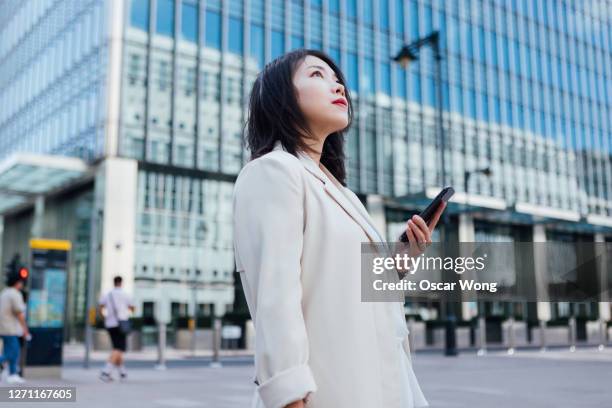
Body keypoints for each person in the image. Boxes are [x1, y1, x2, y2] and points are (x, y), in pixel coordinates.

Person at [233, 49, 447, 408]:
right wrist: (290, 396)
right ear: (281, 97)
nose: (338, 86)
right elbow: (276, 299)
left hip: (384, 387)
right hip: (327, 393)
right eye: (317, 75)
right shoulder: (273, 171)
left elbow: (343, 290)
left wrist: (398, 262)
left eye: (338, 80)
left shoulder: (343, 193)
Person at [97, 276, 135, 382]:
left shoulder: (107, 294)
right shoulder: (125, 294)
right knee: (118, 349)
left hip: (110, 324)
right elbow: (132, 308)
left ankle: (123, 373)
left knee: (117, 348)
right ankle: (105, 372)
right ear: (121, 283)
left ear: (113, 282)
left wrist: (105, 317)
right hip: (121, 324)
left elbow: (100, 307)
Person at [0, 270, 30, 383]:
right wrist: (25, 329)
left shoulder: (4, 292)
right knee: (13, 352)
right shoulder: (15, 294)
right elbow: (19, 313)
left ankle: (12, 374)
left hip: (2, 327)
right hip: (9, 328)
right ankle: (12, 374)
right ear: (18, 283)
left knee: (11, 350)